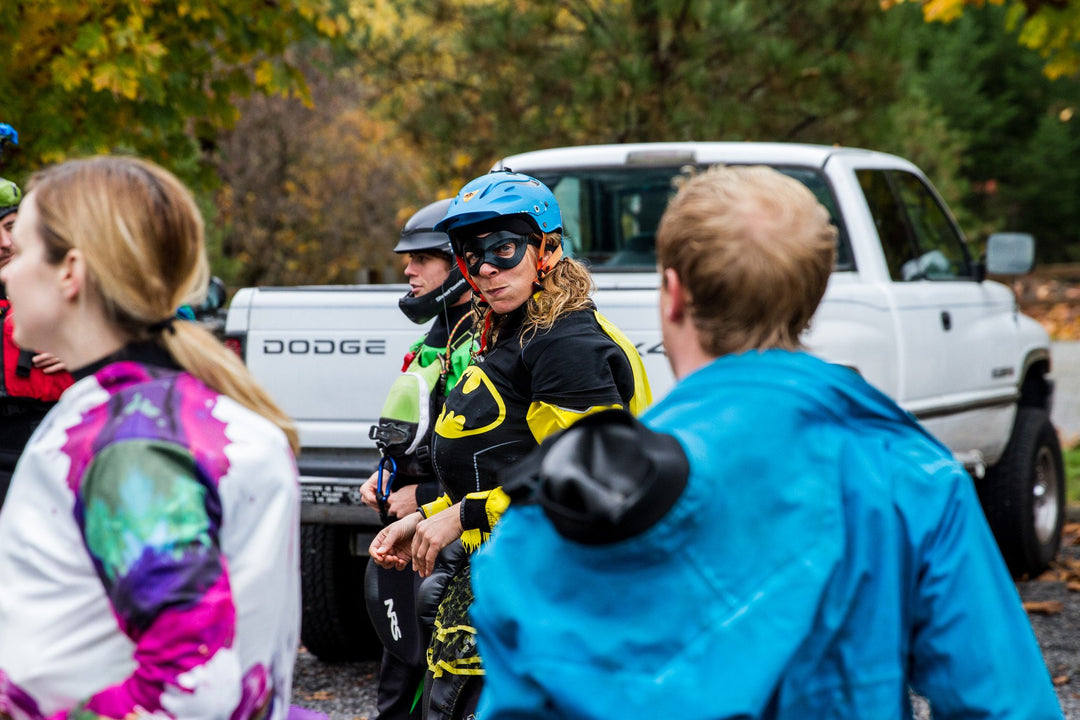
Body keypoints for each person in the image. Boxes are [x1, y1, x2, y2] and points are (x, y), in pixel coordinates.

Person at [468, 165, 1064, 719]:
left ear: (672, 294)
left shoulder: (563, 499)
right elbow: (1006, 701)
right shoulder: (911, 475)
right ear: (814, 296)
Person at [0, 156, 302, 720]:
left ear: (71, 270)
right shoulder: (157, 412)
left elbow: (191, 686)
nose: (6, 272)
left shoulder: (133, 442)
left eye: (19, 250)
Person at [370, 171, 651, 719]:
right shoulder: (515, 327)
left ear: (546, 247)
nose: (487, 269)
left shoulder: (566, 344)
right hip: (503, 588)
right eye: (472, 256)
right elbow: (511, 463)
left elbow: (588, 482)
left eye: (504, 249)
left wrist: (462, 516)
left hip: (550, 606)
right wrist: (429, 514)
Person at [359, 198, 476, 720]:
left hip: (453, 545)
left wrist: (424, 499)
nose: (408, 269)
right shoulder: (435, 340)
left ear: (461, 264)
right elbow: (417, 441)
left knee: (433, 695)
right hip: (409, 542)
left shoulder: (489, 342)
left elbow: (503, 464)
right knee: (395, 689)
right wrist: (383, 477)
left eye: (424, 258)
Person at [0, 176, 73, 502]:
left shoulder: (70, 286)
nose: (5, 242)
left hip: (51, 455)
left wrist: (84, 350)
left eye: (11, 226)